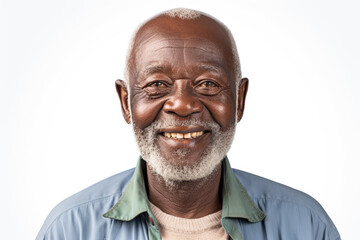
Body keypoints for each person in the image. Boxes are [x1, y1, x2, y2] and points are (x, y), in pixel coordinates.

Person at [36, 8, 341, 240]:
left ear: (239, 99)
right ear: (125, 102)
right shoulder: (69, 228)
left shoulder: (306, 226)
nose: (182, 105)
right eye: (157, 84)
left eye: (208, 83)